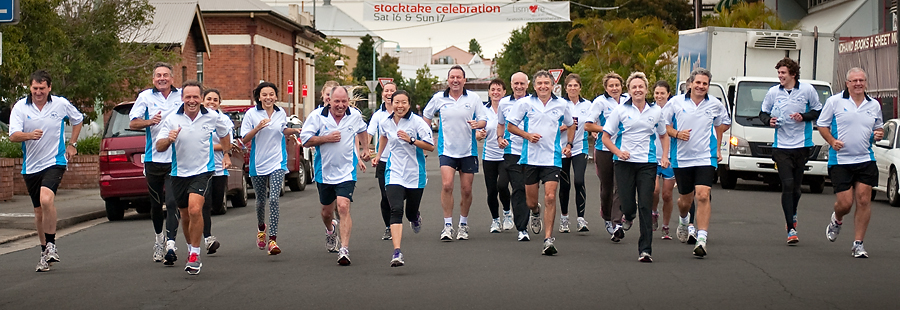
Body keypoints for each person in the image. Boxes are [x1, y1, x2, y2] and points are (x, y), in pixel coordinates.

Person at [9, 70, 83, 272]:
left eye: (42, 88)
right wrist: (29, 135)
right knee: (38, 211)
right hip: (31, 165)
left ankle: (51, 244)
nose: (38, 92)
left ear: (49, 88)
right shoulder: (20, 108)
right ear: (30, 88)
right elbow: (13, 136)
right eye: (35, 88)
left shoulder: (60, 104)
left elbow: (78, 120)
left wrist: (72, 144)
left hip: (54, 161)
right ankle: (44, 252)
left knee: (46, 199)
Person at [156, 81, 232, 275]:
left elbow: (225, 134)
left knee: (195, 208)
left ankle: (195, 255)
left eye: (195, 97)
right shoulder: (172, 118)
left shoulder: (212, 117)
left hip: (202, 171)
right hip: (178, 172)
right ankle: (191, 247)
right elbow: (159, 146)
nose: (192, 100)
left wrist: (226, 153)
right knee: (185, 215)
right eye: (188, 97)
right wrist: (169, 139)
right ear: (182, 98)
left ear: (201, 98)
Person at [662, 68, 731, 257]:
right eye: (698, 83)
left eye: (705, 84)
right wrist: (676, 133)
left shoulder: (715, 104)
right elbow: (663, 126)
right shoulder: (675, 102)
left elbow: (723, 124)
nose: (701, 86)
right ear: (690, 84)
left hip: (705, 156)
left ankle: (701, 238)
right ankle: (684, 219)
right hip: (682, 157)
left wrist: (717, 147)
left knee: (703, 194)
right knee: (686, 200)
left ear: (708, 86)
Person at [601, 72, 669, 263]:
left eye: (641, 87)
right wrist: (618, 152)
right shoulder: (621, 111)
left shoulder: (656, 111)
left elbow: (663, 135)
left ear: (646, 90)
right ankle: (628, 216)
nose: (638, 90)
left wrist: (664, 156)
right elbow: (605, 137)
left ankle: (645, 249)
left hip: (647, 164)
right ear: (629, 91)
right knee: (629, 205)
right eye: (634, 87)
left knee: (646, 206)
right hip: (624, 164)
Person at [506, 70, 575, 255]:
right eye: (540, 83)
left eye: (547, 83)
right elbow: (510, 125)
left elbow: (571, 124)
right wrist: (527, 135)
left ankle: (548, 239)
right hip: (530, 159)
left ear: (553, 86)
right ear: (534, 86)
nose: (543, 86)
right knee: (531, 202)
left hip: (552, 158)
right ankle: (535, 213)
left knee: (551, 197)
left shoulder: (562, 104)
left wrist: (569, 143)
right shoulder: (525, 103)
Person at [300, 85, 370, 265]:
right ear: (329, 100)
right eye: (337, 101)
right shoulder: (317, 117)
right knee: (326, 212)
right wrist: (326, 138)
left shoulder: (353, 115)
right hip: (325, 171)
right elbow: (305, 140)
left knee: (343, 205)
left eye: (344, 101)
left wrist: (365, 148)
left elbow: (362, 130)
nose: (340, 105)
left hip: (347, 171)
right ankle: (330, 230)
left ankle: (344, 249)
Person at [818, 67, 883, 258]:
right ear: (847, 83)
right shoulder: (835, 102)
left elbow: (878, 129)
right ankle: (837, 219)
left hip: (865, 158)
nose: (858, 84)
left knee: (863, 199)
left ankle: (858, 244)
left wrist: (879, 135)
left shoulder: (874, 105)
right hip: (840, 160)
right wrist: (831, 141)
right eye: (854, 80)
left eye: (861, 80)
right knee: (845, 204)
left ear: (866, 82)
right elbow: (822, 125)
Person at [758, 58, 823, 245]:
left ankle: (793, 213)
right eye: (778, 73)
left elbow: (818, 111)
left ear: (793, 74)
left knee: (796, 188)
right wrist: (768, 121)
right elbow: (763, 113)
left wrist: (803, 116)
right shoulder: (773, 92)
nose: (780, 77)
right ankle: (791, 228)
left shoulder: (807, 90)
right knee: (786, 184)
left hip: (802, 145)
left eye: (783, 73)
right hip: (781, 147)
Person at [422, 65, 488, 241]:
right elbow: (426, 116)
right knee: (447, 185)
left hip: (468, 150)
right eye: (452, 77)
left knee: (466, 190)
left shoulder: (473, 98)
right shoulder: (439, 98)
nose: (455, 80)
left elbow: (483, 119)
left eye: (459, 77)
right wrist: (427, 136)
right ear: (448, 80)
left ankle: (463, 224)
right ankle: (448, 225)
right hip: (447, 150)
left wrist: (478, 125)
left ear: (464, 80)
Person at [128, 62, 183, 265]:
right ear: (153, 79)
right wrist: (150, 121)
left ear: (172, 78)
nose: (162, 78)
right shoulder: (145, 97)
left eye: (166, 75)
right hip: (153, 159)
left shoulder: (181, 95)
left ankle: (170, 243)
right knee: (155, 204)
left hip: (175, 159)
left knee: (171, 202)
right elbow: (133, 122)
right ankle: (159, 238)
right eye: (158, 75)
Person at [373, 90, 435, 266]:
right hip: (394, 171)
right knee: (396, 209)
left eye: (404, 103)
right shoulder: (385, 121)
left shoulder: (418, 123)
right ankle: (397, 252)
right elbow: (384, 136)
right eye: (397, 102)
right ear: (391, 103)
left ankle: (415, 217)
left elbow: (430, 147)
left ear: (409, 104)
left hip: (415, 174)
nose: (400, 106)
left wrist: (411, 140)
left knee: (409, 212)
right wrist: (379, 154)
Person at [241, 82, 301, 255]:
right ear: (259, 97)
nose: (268, 98)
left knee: (274, 199)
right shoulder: (251, 114)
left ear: (276, 96)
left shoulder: (280, 112)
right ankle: (261, 229)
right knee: (260, 201)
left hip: (277, 162)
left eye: (271, 94)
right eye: (264, 95)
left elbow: (282, 130)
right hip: (258, 163)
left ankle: (273, 240)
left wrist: (296, 131)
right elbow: (244, 138)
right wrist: (257, 128)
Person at [585, 72, 629, 242]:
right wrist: (606, 129)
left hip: (624, 149)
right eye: (611, 86)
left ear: (622, 86)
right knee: (607, 186)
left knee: (621, 185)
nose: (614, 88)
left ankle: (617, 222)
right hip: (604, 149)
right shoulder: (600, 102)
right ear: (606, 88)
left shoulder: (628, 100)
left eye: (617, 85)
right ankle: (606, 214)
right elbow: (588, 125)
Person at [497, 72, 531, 240]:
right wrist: (499, 138)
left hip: (532, 152)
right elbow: (501, 124)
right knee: (518, 188)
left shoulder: (534, 102)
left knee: (529, 190)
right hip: (512, 152)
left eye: (522, 84)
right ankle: (522, 228)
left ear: (527, 84)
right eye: (516, 83)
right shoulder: (503, 103)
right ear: (511, 85)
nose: (519, 87)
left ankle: (534, 209)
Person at [200, 88, 233, 254]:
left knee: (216, 202)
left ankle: (202, 226)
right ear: (202, 100)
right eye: (208, 99)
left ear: (219, 103)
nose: (211, 102)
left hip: (219, 166)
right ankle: (207, 237)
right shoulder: (198, 118)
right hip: (201, 167)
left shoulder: (224, 120)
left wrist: (211, 147)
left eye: (215, 100)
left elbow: (229, 144)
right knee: (204, 203)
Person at [558, 73, 591, 233]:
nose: (572, 88)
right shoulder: (559, 104)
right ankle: (564, 218)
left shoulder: (588, 105)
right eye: (569, 85)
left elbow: (592, 124)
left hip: (580, 147)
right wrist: (564, 127)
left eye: (575, 85)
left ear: (580, 87)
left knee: (579, 181)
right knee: (564, 184)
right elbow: (550, 126)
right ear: (566, 88)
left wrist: (595, 132)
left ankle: (581, 219)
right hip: (561, 148)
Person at [477, 78, 511, 233]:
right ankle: (495, 220)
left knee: (502, 185)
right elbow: (477, 134)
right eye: (493, 90)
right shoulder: (483, 110)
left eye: (499, 89)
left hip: (506, 155)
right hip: (489, 155)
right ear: (489, 93)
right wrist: (480, 135)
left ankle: (507, 212)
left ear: (504, 92)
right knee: (491, 190)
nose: (496, 92)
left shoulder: (510, 108)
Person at [368, 82, 397, 240]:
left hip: (400, 161)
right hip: (383, 160)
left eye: (392, 90)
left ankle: (410, 214)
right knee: (385, 195)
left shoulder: (403, 112)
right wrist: (366, 149)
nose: (389, 93)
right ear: (382, 94)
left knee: (399, 195)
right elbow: (370, 132)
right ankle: (389, 226)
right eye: (386, 90)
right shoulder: (378, 115)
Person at [651, 81, 677, 240]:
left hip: (669, 158)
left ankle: (666, 226)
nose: (659, 96)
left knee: (667, 195)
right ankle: (654, 212)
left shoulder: (674, 109)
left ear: (668, 94)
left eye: (662, 93)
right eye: (657, 93)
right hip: (652, 156)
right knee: (654, 190)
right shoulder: (649, 109)